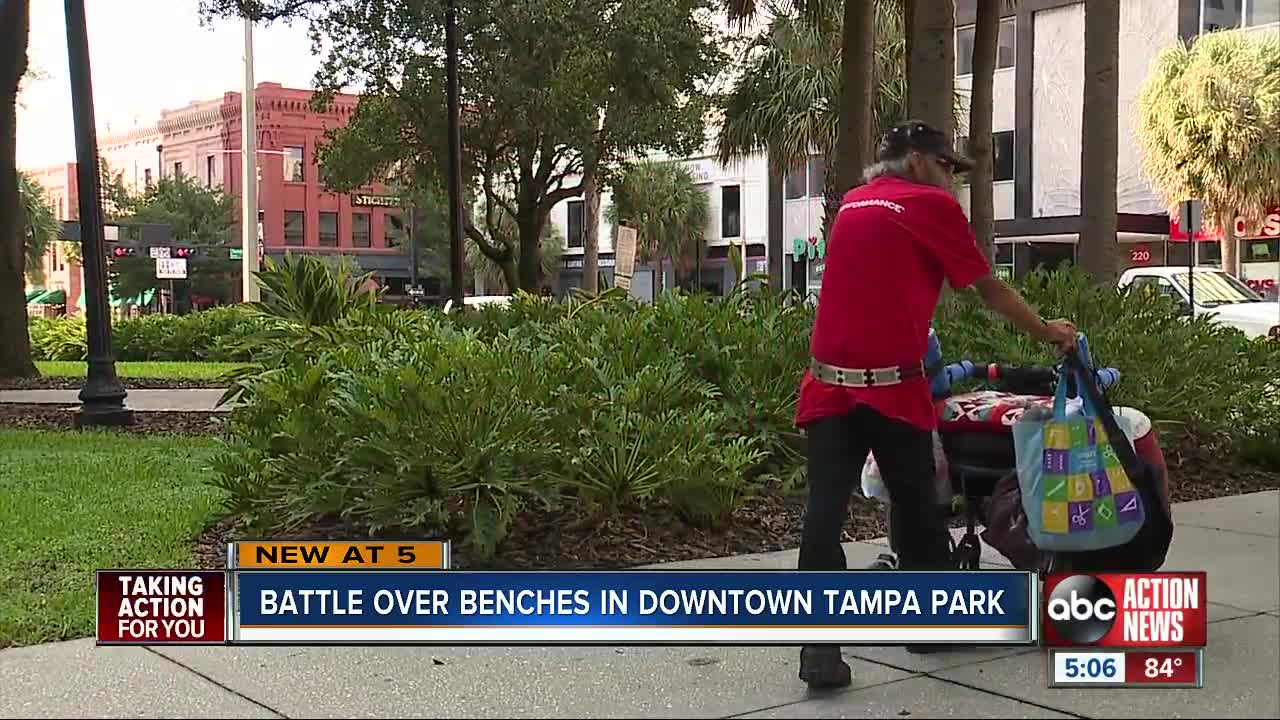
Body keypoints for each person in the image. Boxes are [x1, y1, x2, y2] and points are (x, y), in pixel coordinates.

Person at [794, 120, 1078, 690]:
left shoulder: (850, 203)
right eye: (948, 167)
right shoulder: (928, 204)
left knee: (822, 521)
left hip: (829, 385)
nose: (952, 180)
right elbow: (989, 288)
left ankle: (818, 652)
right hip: (894, 388)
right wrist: (1048, 330)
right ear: (920, 162)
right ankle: (928, 624)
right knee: (918, 509)